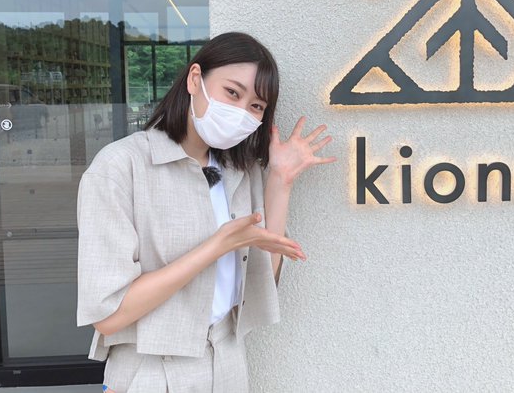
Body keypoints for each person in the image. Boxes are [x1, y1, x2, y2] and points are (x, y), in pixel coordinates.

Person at [76, 31, 336, 392]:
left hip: (227, 362)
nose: (241, 112)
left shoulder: (239, 170)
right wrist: (217, 246)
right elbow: (108, 315)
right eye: (233, 93)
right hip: (152, 371)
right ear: (195, 79)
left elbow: (263, 277)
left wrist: (280, 179)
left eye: (256, 106)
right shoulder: (121, 167)